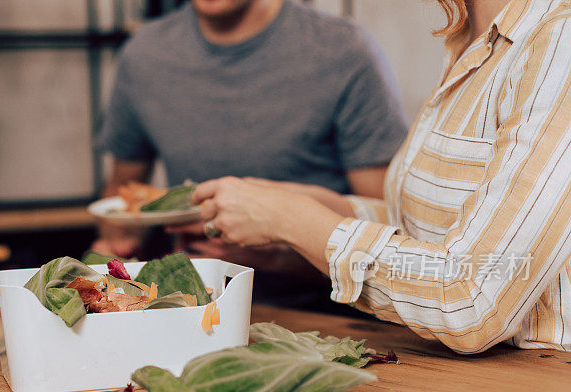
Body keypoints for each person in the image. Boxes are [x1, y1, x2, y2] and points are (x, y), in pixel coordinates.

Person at [192, 0, 571, 353]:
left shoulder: (559, 41)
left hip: (541, 389)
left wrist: (293, 220)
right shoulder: (470, 37)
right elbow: (447, 235)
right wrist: (314, 207)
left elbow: (470, 298)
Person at [94, 0, 408, 305]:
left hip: (326, 312)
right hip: (194, 307)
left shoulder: (343, 51)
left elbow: (390, 235)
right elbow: (123, 197)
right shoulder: (143, 55)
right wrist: (118, 244)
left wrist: (280, 253)